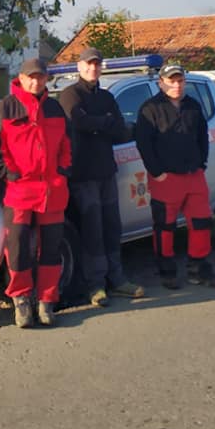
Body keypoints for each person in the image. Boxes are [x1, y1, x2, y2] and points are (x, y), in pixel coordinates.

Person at [58, 47, 145, 307]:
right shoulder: (69, 94)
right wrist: (103, 123)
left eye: (97, 64)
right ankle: (95, 286)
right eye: (88, 64)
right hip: (83, 175)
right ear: (79, 67)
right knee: (92, 230)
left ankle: (117, 280)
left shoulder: (107, 96)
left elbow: (119, 130)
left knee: (111, 227)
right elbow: (78, 123)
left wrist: (99, 123)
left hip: (107, 171)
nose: (93, 68)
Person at [0, 58, 72, 328]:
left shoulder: (55, 108)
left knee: (51, 249)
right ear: (21, 79)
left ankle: (47, 301)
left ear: (46, 79)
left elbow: (67, 145)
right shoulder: (6, 108)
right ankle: (22, 301)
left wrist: (63, 170)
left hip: (52, 191)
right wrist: (9, 174)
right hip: (20, 191)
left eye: (40, 77)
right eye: (30, 77)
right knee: (18, 249)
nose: (35, 82)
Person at [134, 63, 215, 289]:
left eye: (180, 81)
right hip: (166, 178)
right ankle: (167, 272)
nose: (176, 85)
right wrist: (157, 172)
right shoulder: (150, 108)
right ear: (161, 83)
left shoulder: (193, 106)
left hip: (194, 175)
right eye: (171, 81)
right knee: (164, 227)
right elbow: (144, 144)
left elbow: (202, 136)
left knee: (202, 223)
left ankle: (199, 269)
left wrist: (202, 163)